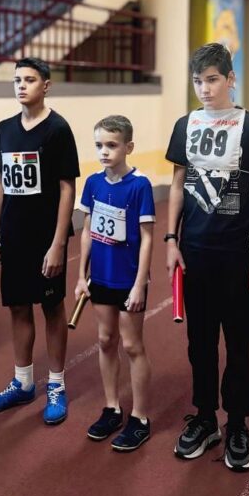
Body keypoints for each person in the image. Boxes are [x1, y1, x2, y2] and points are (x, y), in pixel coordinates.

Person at [165, 42, 249, 471]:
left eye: (212, 80)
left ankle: (238, 424)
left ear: (231, 79)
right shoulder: (185, 125)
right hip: (195, 253)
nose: (204, 89)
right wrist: (171, 239)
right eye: (198, 81)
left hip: (238, 254)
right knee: (200, 343)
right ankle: (206, 417)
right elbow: (178, 184)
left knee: (238, 344)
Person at [0, 58, 80, 425]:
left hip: (46, 237)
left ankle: (56, 384)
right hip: (14, 235)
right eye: (17, 80)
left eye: (30, 80)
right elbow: (0, 183)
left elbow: (67, 187)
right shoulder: (4, 129)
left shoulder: (58, 129)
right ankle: (23, 383)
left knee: (52, 308)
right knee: (18, 307)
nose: (21, 86)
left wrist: (58, 243)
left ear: (46, 86)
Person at [75, 115, 155, 451]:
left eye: (111, 145)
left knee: (132, 345)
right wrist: (81, 276)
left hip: (128, 279)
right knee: (106, 340)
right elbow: (87, 231)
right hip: (101, 278)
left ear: (128, 147)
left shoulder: (140, 185)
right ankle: (112, 408)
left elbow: (147, 238)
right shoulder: (93, 183)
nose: (104, 152)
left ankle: (140, 417)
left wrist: (139, 284)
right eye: (99, 145)